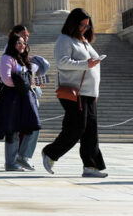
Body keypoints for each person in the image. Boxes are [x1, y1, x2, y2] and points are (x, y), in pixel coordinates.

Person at [41, 9, 106, 178]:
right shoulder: (65, 39)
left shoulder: (85, 42)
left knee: (91, 130)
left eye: (87, 25)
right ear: (73, 23)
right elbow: (62, 62)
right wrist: (86, 64)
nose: (85, 28)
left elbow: (93, 67)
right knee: (77, 127)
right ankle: (50, 152)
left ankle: (91, 166)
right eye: (82, 25)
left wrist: (95, 91)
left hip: (89, 93)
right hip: (75, 91)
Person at [0, 32, 41, 171]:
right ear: (12, 44)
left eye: (23, 43)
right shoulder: (7, 58)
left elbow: (28, 79)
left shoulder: (23, 60)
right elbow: (6, 79)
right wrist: (22, 82)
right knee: (12, 129)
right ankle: (10, 163)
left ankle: (23, 156)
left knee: (33, 126)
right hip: (11, 97)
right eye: (18, 43)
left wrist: (29, 82)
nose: (22, 45)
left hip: (25, 97)